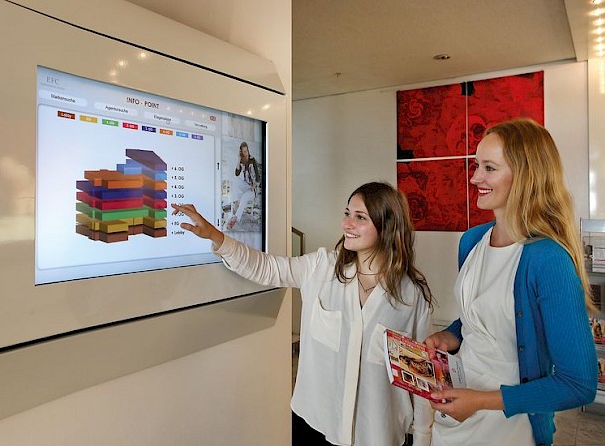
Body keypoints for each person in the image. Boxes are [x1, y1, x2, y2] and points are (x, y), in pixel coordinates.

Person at [172, 182, 435, 446]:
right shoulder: (321, 267)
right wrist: (216, 237)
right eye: (347, 213)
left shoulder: (412, 297)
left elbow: (422, 379)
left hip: (378, 435)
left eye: (360, 217)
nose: (346, 224)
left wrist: (423, 437)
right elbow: (267, 268)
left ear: (386, 226)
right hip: (313, 425)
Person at [424, 119, 598, 446]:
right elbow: (482, 317)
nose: (475, 178)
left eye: (489, 168)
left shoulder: (548, 261)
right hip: (457, 412)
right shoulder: (471, 241)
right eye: (476, 166)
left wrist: (479, 401)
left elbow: (579, 384)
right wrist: (451, 335)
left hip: (508, 426)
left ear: (526, 176)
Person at [228, 141, 260, 229]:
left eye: (246, 151)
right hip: (246, 185)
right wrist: (239, 160)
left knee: (245, 196)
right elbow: (236, 173)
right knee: (235, 179)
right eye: (243, 152)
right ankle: (235, 202)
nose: (245, 154)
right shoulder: (242, 160)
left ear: (248, 150)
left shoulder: (252, 160)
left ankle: (236, 218)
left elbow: (258, 177)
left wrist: (254, 186)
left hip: (253, 189)